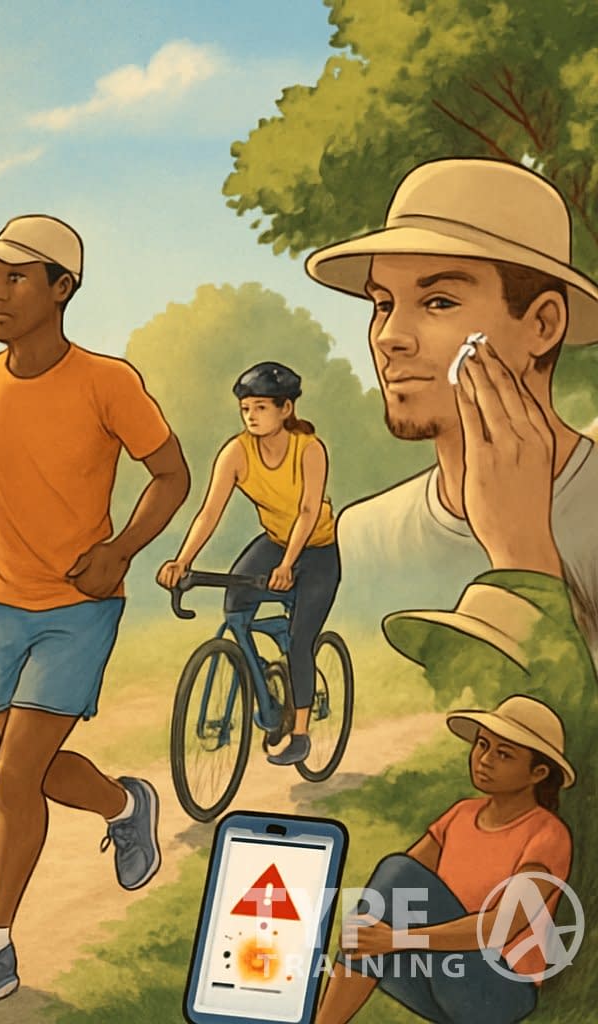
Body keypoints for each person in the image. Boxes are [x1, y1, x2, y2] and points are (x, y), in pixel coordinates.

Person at [0, 214, 190, 1008]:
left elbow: (170, 474)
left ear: (63, 288)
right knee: (24, 772)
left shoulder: (108, 381)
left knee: (11, 774)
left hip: (78, 603)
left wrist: (123, 549)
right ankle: (125, 801)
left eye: (16, 278)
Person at [304, 158, 598, 659]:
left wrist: (523, 553)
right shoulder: (366, 535)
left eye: (438, 301)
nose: (390, 337)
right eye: (382, 304)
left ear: (543, 325)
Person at [317, 695, 575, 1023]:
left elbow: (501, 927)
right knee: (384, 898)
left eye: (504, 754)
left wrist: (396, 940)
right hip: (443, 969)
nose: (485, 760)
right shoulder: (461, 814)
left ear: (538, 772)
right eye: (482, 745)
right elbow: (393, 890)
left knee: (394, 882)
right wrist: (371, 934)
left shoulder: (548, 834)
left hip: (500, 990)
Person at [157, 361, 339, 765]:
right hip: (274, 541)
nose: (252, 417)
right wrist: (182, 560)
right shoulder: (237, 452)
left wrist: (288, 566)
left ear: (285, 409)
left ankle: (299, 733)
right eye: (246, 409)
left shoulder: (309, 450)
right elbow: (209, 512)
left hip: (317, 549)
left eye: (261, 407)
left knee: (302, 640)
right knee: (235, 607)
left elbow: (308, 512)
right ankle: (260, 679)